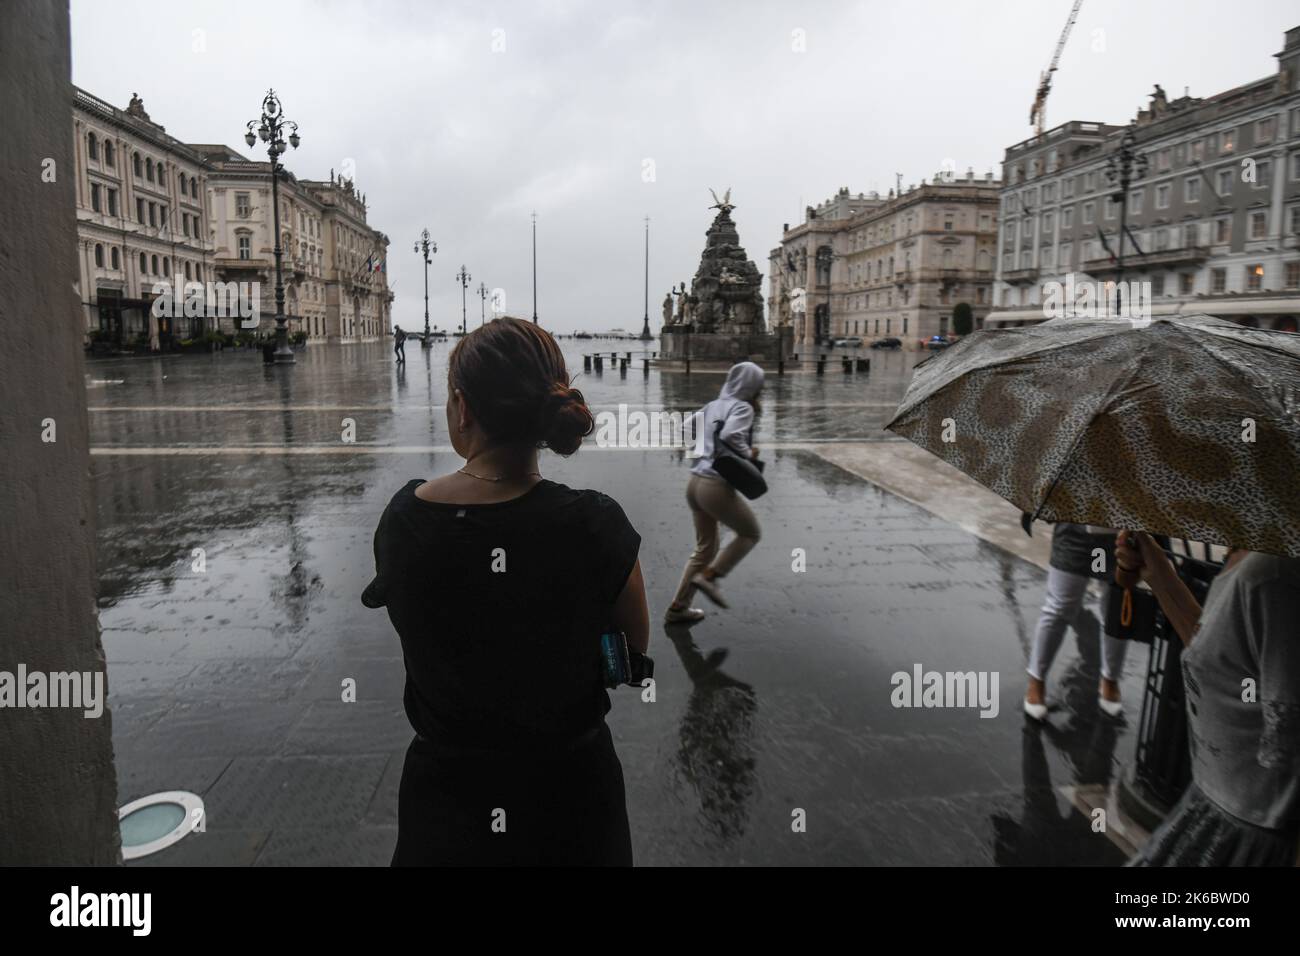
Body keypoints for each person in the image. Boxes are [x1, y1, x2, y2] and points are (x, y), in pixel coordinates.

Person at [362, 317, 649, 866]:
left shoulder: (406, 519)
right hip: (573, 800)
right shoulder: (597, 523)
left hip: (450, 802)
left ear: (464, 409)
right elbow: (630, 660)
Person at [1116, 532, 1300, 866]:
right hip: (1211, 811)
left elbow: (1290, 731)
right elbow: (1218, 658)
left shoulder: (1273, 573)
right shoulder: (1252, 558)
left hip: (1247, 840)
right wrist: (1160, 575)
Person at [665, 361, 764, 624]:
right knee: (750, 533)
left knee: (705, 548)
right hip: (715, 486)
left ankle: (678, 607)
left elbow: (685, 428)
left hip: (695, 483)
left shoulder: (714, 405)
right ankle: (710, 578)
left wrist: (704, 450)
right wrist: (747, 453)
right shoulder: (742, 406)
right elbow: (732, 435)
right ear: (752, 386)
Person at [1023, 523, 1128, 721]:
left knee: (1114, 611)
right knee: (1060, 607)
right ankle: (1036, 681)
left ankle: (1110, 680)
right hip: (1073, 532)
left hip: (1113, 539)